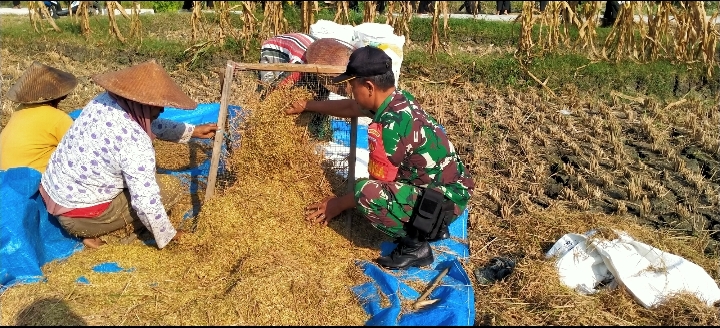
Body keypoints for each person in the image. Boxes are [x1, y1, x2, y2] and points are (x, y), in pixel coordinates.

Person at [285, 47, 475, 270]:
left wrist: (336, 205)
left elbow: (375, 187)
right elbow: (350, 106)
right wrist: (307, 105)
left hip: (440, 207)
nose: (350, 91)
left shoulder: (387, 128)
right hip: (451, 191)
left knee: (366, 192)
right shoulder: (398, 101)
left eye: (352, 86)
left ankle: (416, 246)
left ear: (369, 87)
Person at [39, 60, 219, 250]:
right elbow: (146, 203)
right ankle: (96, 231)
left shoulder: (104, 101)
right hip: (81, 217)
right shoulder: (135, 143)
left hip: (57, 195)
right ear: (141, 104)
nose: (162, 110)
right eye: (156, 105)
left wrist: (192, 131)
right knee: (170, 187)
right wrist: (170, 235)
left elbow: (147, 122)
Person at [0, 61, 77, 174]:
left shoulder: (21, 109)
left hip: (4, 175)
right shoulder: (58, 118)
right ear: (62, 96)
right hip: (29, 180)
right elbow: (78, 146)